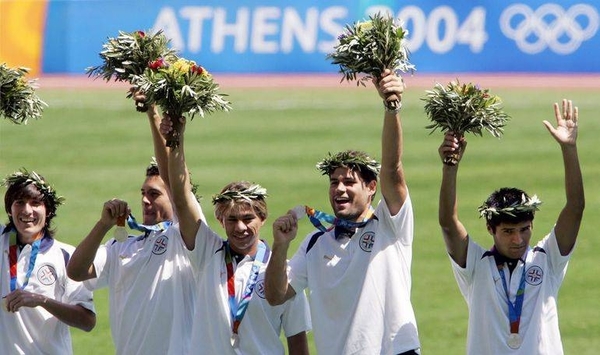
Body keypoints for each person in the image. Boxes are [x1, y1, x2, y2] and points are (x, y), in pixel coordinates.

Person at [264, 69, 421, 355]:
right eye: (334, 182)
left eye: (349, 182)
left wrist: (391, 108)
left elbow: (393, 169)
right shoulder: (315, 243)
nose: (339, 189)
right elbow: (275, 296)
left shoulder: (389, 226)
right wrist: (280, 246)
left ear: (372, 187)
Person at [437, 99, 584, 354]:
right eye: (508, 231)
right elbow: (448, 223)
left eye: (524, 229)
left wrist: (569, 148)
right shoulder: (475, 264)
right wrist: (450, 166)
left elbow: (575, 207)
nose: (518, 239)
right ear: (490, 229)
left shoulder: (547, 259)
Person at [162, 110, 311, 354]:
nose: (240, 227)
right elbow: (181, 197)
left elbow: (297, 343)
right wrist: (177, 139)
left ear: (263, 218)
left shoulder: (285, 271)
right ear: (220, 220)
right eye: (232, 219)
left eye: (248, 218)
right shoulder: (207, 252)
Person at [66, 99, 198, 355]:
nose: (145, 200)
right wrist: (103, 225)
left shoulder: (187, 239)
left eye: (155, 194)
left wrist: (152, 114)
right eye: (143, 193)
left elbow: (176, 184)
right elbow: (77, 271)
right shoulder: (121, 244)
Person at [1, 169, 96, 355]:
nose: (27, 210)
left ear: (49, 210)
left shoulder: (66, 255)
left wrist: (42, 301)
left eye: (35, 203)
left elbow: (87, 321)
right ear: (9, 209)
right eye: (19, 202)